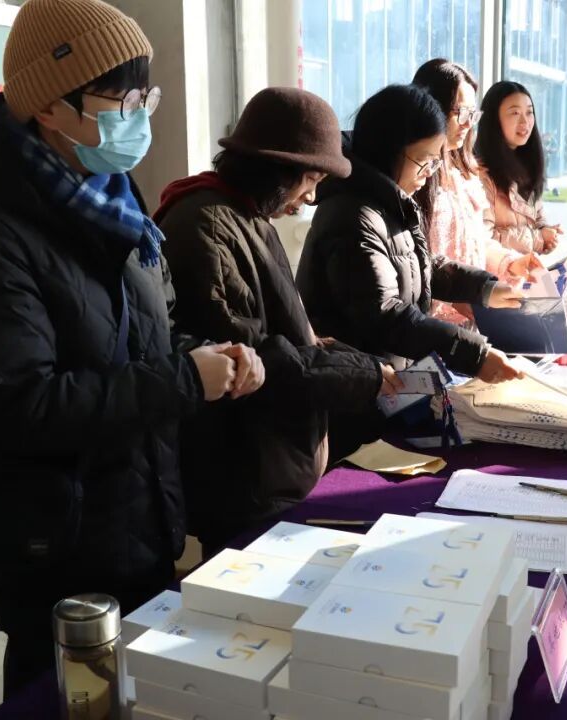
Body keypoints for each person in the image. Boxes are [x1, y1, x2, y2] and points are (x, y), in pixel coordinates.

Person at [0, 0, 264, 696]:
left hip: (138, 522)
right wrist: (184, 380)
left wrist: (213, 359)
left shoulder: (113, 203)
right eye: (123, 100)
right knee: (66, 699)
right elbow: (25, 406)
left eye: (146, 97)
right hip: (56, 548)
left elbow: (144, 341)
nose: (140, 116)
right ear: (50, 106)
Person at [154, 87, 399, 551]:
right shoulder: (207, 227)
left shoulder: (244, 216)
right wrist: (361, 374)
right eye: (309, 181)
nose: (309, 198)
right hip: (242, 475)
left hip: (269, 469)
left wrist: (347, 358)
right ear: (276, 168)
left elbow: (284, 333)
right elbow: (254, 362)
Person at [297, 83, 525, 385]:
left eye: (435, 161)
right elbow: (387, 317)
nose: (430, 172)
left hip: (383, 381)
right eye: (423, 160)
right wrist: (474, 354)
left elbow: (421, 266)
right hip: (353, 388)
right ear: (389, 152)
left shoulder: (388, 202)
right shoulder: (352, 216)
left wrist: (485, 288)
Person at [411, 59, 543, 327]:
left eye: (472, 115)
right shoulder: (415, 176)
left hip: (471, 316)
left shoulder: (465, 172)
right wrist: (460, 296)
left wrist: (510, 263)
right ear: (431, 107)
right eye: (461, 113)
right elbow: (417, 262)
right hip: (430, 323)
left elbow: (477, 240)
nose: (467, 124)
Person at [474, 81, 563, 256]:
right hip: (496, 272)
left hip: (524, 269)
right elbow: (483, 240)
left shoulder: (527, 164)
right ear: (493, 119)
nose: (525, 121)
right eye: (515, 113)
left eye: (529, 112)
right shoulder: (479, 174)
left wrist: (546, 232)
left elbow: (537, 218)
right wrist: (537, 238)